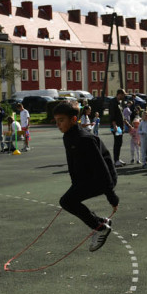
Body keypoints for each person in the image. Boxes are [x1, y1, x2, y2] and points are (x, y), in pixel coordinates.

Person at [52, 102, 118, 252]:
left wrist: (111, 197)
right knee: (68, 200)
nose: (58, 124)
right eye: (56, 121)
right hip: (88, 177)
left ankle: (100, 228)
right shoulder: (68, 137)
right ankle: (101, 222)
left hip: (103, 179)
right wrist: (75, 184)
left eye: (61, 120)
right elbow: (73, 164)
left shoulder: (85, 139)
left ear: (74, 119)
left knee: (67, 201)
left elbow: (102, 169)